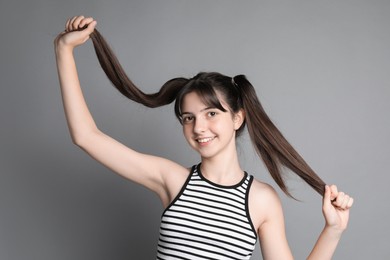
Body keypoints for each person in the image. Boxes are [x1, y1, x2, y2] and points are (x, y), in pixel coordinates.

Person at [54, 16, 354, 259]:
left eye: (211, 114)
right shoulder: (171, 179)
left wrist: (333, 230)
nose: (198, 127)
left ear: (237, 118)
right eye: (188, 118)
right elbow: (86, 136)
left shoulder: (262, 201)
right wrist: (63, 51)